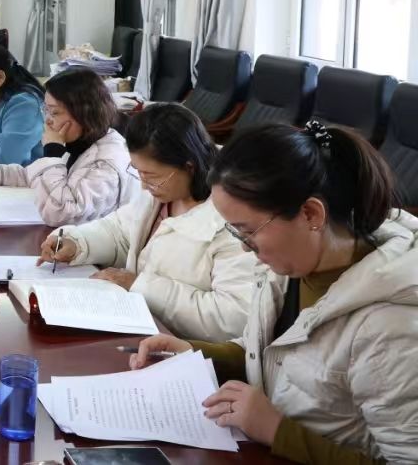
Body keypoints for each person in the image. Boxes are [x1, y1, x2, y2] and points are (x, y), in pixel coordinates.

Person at [129, 122, 418, 464]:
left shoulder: (392, 327)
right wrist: (195, 353)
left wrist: (277, 430)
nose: (245, 248)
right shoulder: (292, 266)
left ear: (311, 214)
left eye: (248, 232)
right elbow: (272, 354)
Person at [38, 103, 278, 342]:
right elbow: (120, 233)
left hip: (187, 348)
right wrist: (77, 243)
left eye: (152, 176)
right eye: (138, 172)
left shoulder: (233, 222)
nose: (143, 186)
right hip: (137, 328)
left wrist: (140, 286)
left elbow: (232, 317)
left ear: (189, 166)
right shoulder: (161, 194)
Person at [0, 67, 132, 225]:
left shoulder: (104, 163)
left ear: (84, 113)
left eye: (55, 112)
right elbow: (35, 175)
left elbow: (62, 212)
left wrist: (53, 153)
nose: (48, 120)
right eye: (46, 111)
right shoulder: (80, 142)